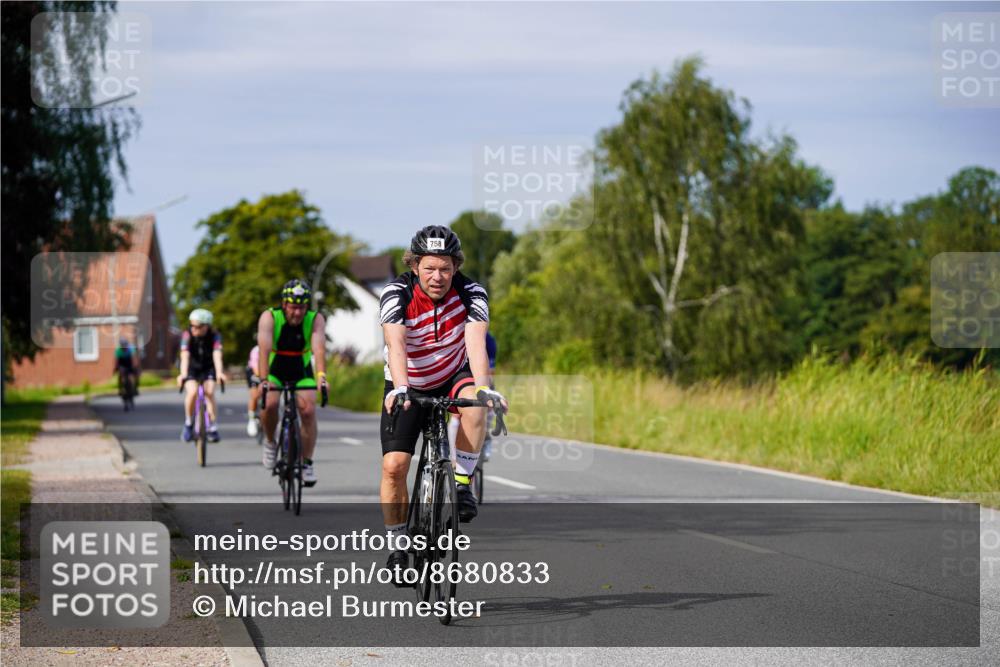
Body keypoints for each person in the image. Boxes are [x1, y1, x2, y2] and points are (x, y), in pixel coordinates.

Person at [379, 225, 508, 577]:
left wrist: (484, 387)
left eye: (446, 269)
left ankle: (463, 484)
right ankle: (398, 546)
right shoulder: (396, 293)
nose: (438, 277)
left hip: (452, 375)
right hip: (408, 381)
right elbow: (397, 346)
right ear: (415, 264)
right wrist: (403, 387)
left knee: (476, 401)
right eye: (430, 268)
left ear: (456, 267)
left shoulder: (472, 293)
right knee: (394, 467)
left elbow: (476, 344)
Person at [257, 279, 328, 486]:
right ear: (284, 304)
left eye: (302, 307)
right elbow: (264, 350)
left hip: (300, 369)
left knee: (307, 411)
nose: (298, 313)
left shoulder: (315, 319)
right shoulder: (270, 317)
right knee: (269, 404)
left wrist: (321, 376)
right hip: (275, 370)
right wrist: (263, 380)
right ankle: (270, 442)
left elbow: (319, 349)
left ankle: (306, 462)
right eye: (294, 307)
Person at [177, 309, 226, 443]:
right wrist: (183, 374)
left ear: (207, 326)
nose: (194, 329)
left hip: (208, 367)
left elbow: (217, 355)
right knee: (192, 392)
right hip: (192, 368)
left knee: (209, 392)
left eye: (198, 326)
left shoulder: (215, 336)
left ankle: (212, 426)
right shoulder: (187, 335)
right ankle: (188, 423)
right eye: (192, 325)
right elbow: (184, 355)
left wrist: (220, 372)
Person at [448, 331, 497, 461]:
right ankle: (454, 455)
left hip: (481, 378)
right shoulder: (457, 335)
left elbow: (491, 372)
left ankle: (486, 438)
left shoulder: (489, 341)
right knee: (457, 414)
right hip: (460, 377)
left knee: (490, 405)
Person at [246, 343, 261, 437]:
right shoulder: (256, 350)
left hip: (268, 371)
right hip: (254, 371)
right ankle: (251, 419)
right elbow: (256, 370)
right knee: (254, 395)